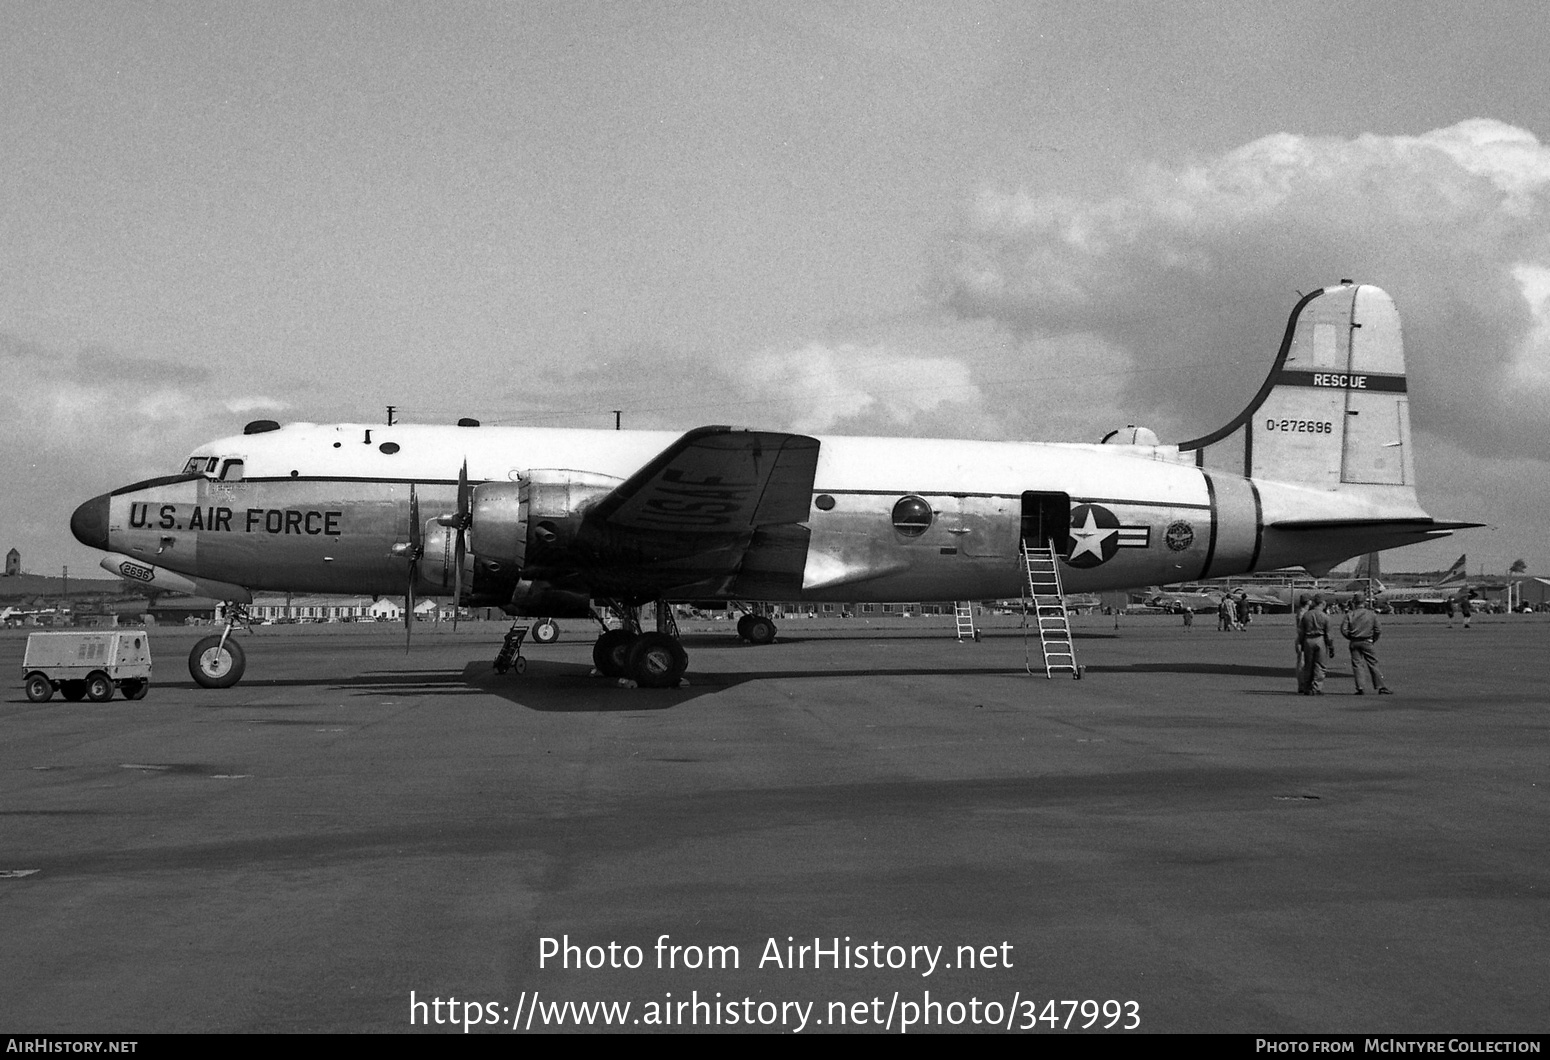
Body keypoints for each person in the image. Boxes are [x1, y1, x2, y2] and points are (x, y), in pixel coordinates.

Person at [1340, 595, 1392, 695]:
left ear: (1354, 603)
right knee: (1373, 663)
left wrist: (1350, 637)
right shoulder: (1371, 614)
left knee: (1357, 665)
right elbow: (1378, 629)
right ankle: (1380, 686)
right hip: (1367, 640)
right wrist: (1373, 639)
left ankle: (1360, 687)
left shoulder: (1350, 614)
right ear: (1364, 602)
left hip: (1354, 641)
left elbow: (1344, 629)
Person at [1297, 595, 1336, 695]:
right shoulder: (1325, 617)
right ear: (1322, 603)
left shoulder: (1306, 615)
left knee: (1308, 664)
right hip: (1320, 639)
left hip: (1308, 639)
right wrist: (1331, 646)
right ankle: (1316, 687)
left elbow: (1301, 631)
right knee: (1320, 665)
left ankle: (1306, 686)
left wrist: (1300, 643)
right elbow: (1328, 634)